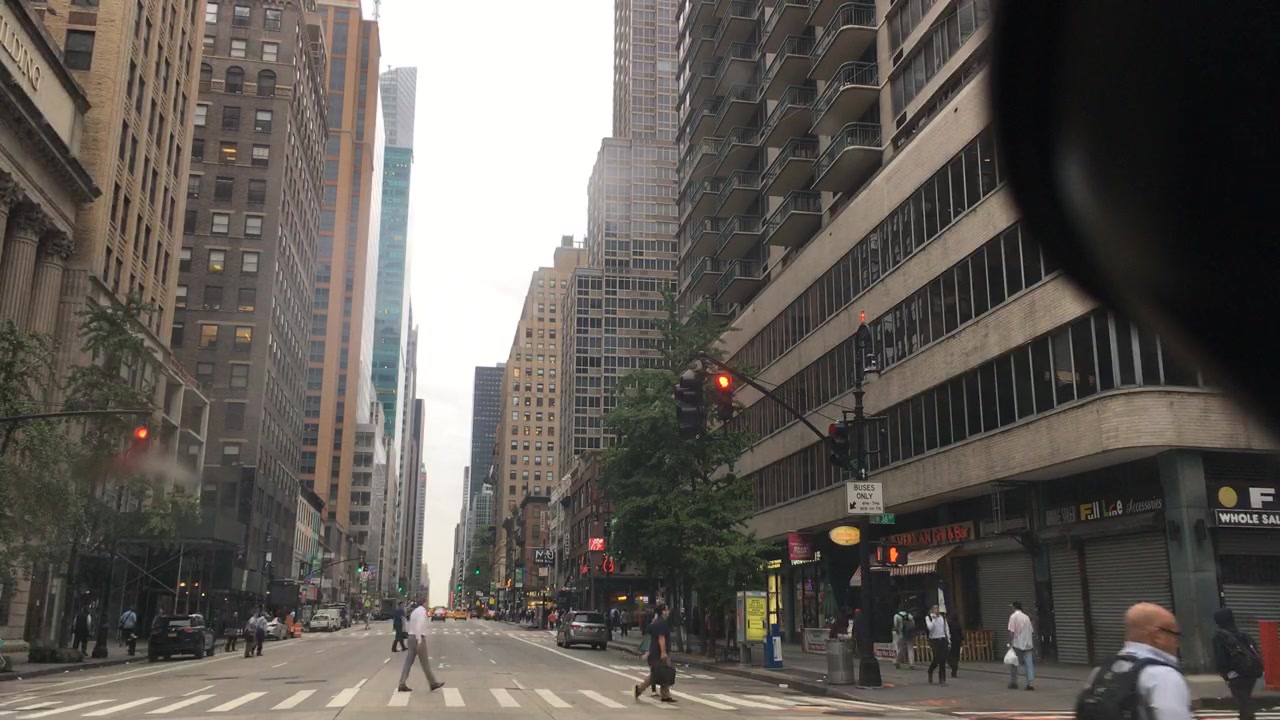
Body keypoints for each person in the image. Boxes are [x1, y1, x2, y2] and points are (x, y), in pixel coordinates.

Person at [1077, 602, 1191, 720]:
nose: (1177, 642)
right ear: (1158, 636)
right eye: (1175, 635)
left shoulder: (1100, 671)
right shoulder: (1164, 676)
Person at [1213, 608, 1263, 720]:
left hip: (1236, 674)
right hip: (1251, 673)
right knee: (1244, 698)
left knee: (1243, 701)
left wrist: (1224, 674)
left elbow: (1221, 658)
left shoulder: (1220, 637)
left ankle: (1248, 717)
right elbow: (1255, 652)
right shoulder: (1245, 634)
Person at [398, 598, 445, 693]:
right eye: (427, 603)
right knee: (425, 662)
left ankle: (402, 683)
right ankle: (433, 683)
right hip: (418, 637)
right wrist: (419, 639)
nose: (427, 605)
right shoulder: (422, 612)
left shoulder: (414, 612)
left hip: (411, 637)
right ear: (424, 603)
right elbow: (419, 626)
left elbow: (411, 624)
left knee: (408, 662)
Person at [634, 603, 676, 703]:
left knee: (664, 672)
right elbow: (661, 638)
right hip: (658, 653)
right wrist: (663, 653)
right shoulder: (662, 623)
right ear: (663, 611)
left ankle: (665, 695)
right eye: (666, 609)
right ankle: (639, 689)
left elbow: (649, 632)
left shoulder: (655, 622)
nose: (668, 611)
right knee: (657, 674)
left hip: (654, 651)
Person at [1007, 601, 1035, 690]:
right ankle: (1030, 684)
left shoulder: (1013, 617)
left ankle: (1014, 682)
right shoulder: (1026, 617)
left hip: (1017, 643)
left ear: (1014, 607)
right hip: (1028, 644)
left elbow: (1011, 631)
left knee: (1014, 662)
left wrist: (1010, 642)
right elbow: (1031, 631)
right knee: (1029, 664)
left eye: (1012, 607)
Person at [925, 605, 951, 686]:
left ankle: (942, 678)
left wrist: (948, 639)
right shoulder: (929, 617)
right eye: (935, 609)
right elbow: (930, 628)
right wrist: (934, 619)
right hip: (934, 640)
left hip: (942, 639)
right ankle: (930, 670)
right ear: (932, 610)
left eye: (937, 608)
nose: (937, 610)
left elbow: (946, 628)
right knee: (937, 658)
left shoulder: (942, 617)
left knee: (943, 659)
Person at [893, 604, 917, 669]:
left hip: (901, 634)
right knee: (910, 648)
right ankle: (911, 663)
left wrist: (897, 633)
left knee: (900, 649)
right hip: (909, 634)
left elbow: (895, 626)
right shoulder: (909, 615)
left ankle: (897, 661)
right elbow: (913, 624)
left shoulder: (896, 616)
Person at [947, 611, 964, 679]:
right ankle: (955, 669)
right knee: (956, 655)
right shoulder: (958, 624)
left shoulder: (950, 624)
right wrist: (962, 640)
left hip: (952, 641)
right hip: (958, 642)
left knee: (950, 654)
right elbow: (961, 634)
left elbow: (948, 632)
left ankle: (952, 665)